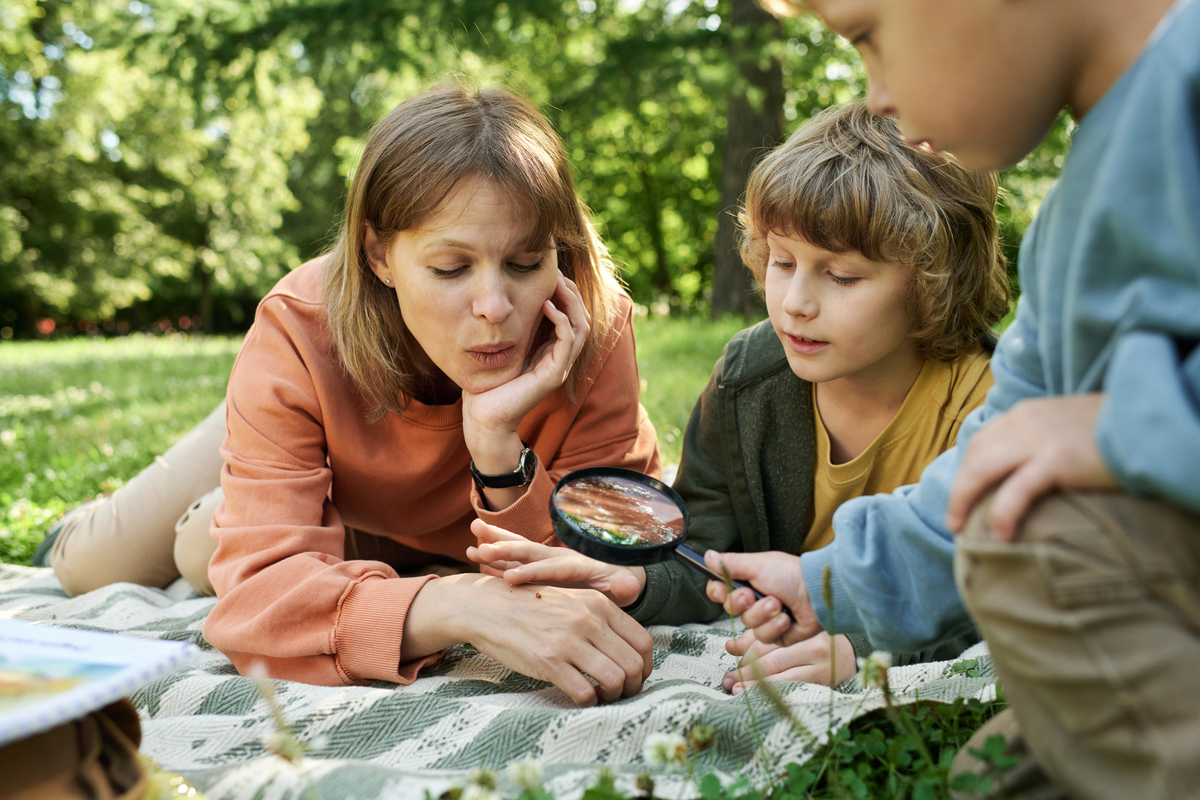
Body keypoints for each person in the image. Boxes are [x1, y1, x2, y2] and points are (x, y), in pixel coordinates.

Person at [706, 0, 1200, 796]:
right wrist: (831, 585)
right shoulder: (1077, 213)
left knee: (1030, 525)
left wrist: (1120, 429)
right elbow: (985, 461)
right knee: (991, 773)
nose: (876, 95)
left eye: (870, 37)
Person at [40, 82, 662, 708]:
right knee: (124, 561)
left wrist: (499, 448)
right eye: (451, 268)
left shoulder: (593, 327)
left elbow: (598, 576)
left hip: (432, 528)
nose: (495, 309)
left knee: (208, 549)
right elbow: (256, 605)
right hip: (336, 439)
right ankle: (228, 462)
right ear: (379, 254)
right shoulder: (299, 326)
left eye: (526, 264)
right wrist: (454, 603)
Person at [470, 101, 1010, 692]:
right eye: (782, 262)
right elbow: (704, 549)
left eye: (843, 277)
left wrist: (861, 652)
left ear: (937, 278)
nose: (795, 302)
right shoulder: (748, 378)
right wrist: (641, 582)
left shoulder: (993, 405)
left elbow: (1009, 592)